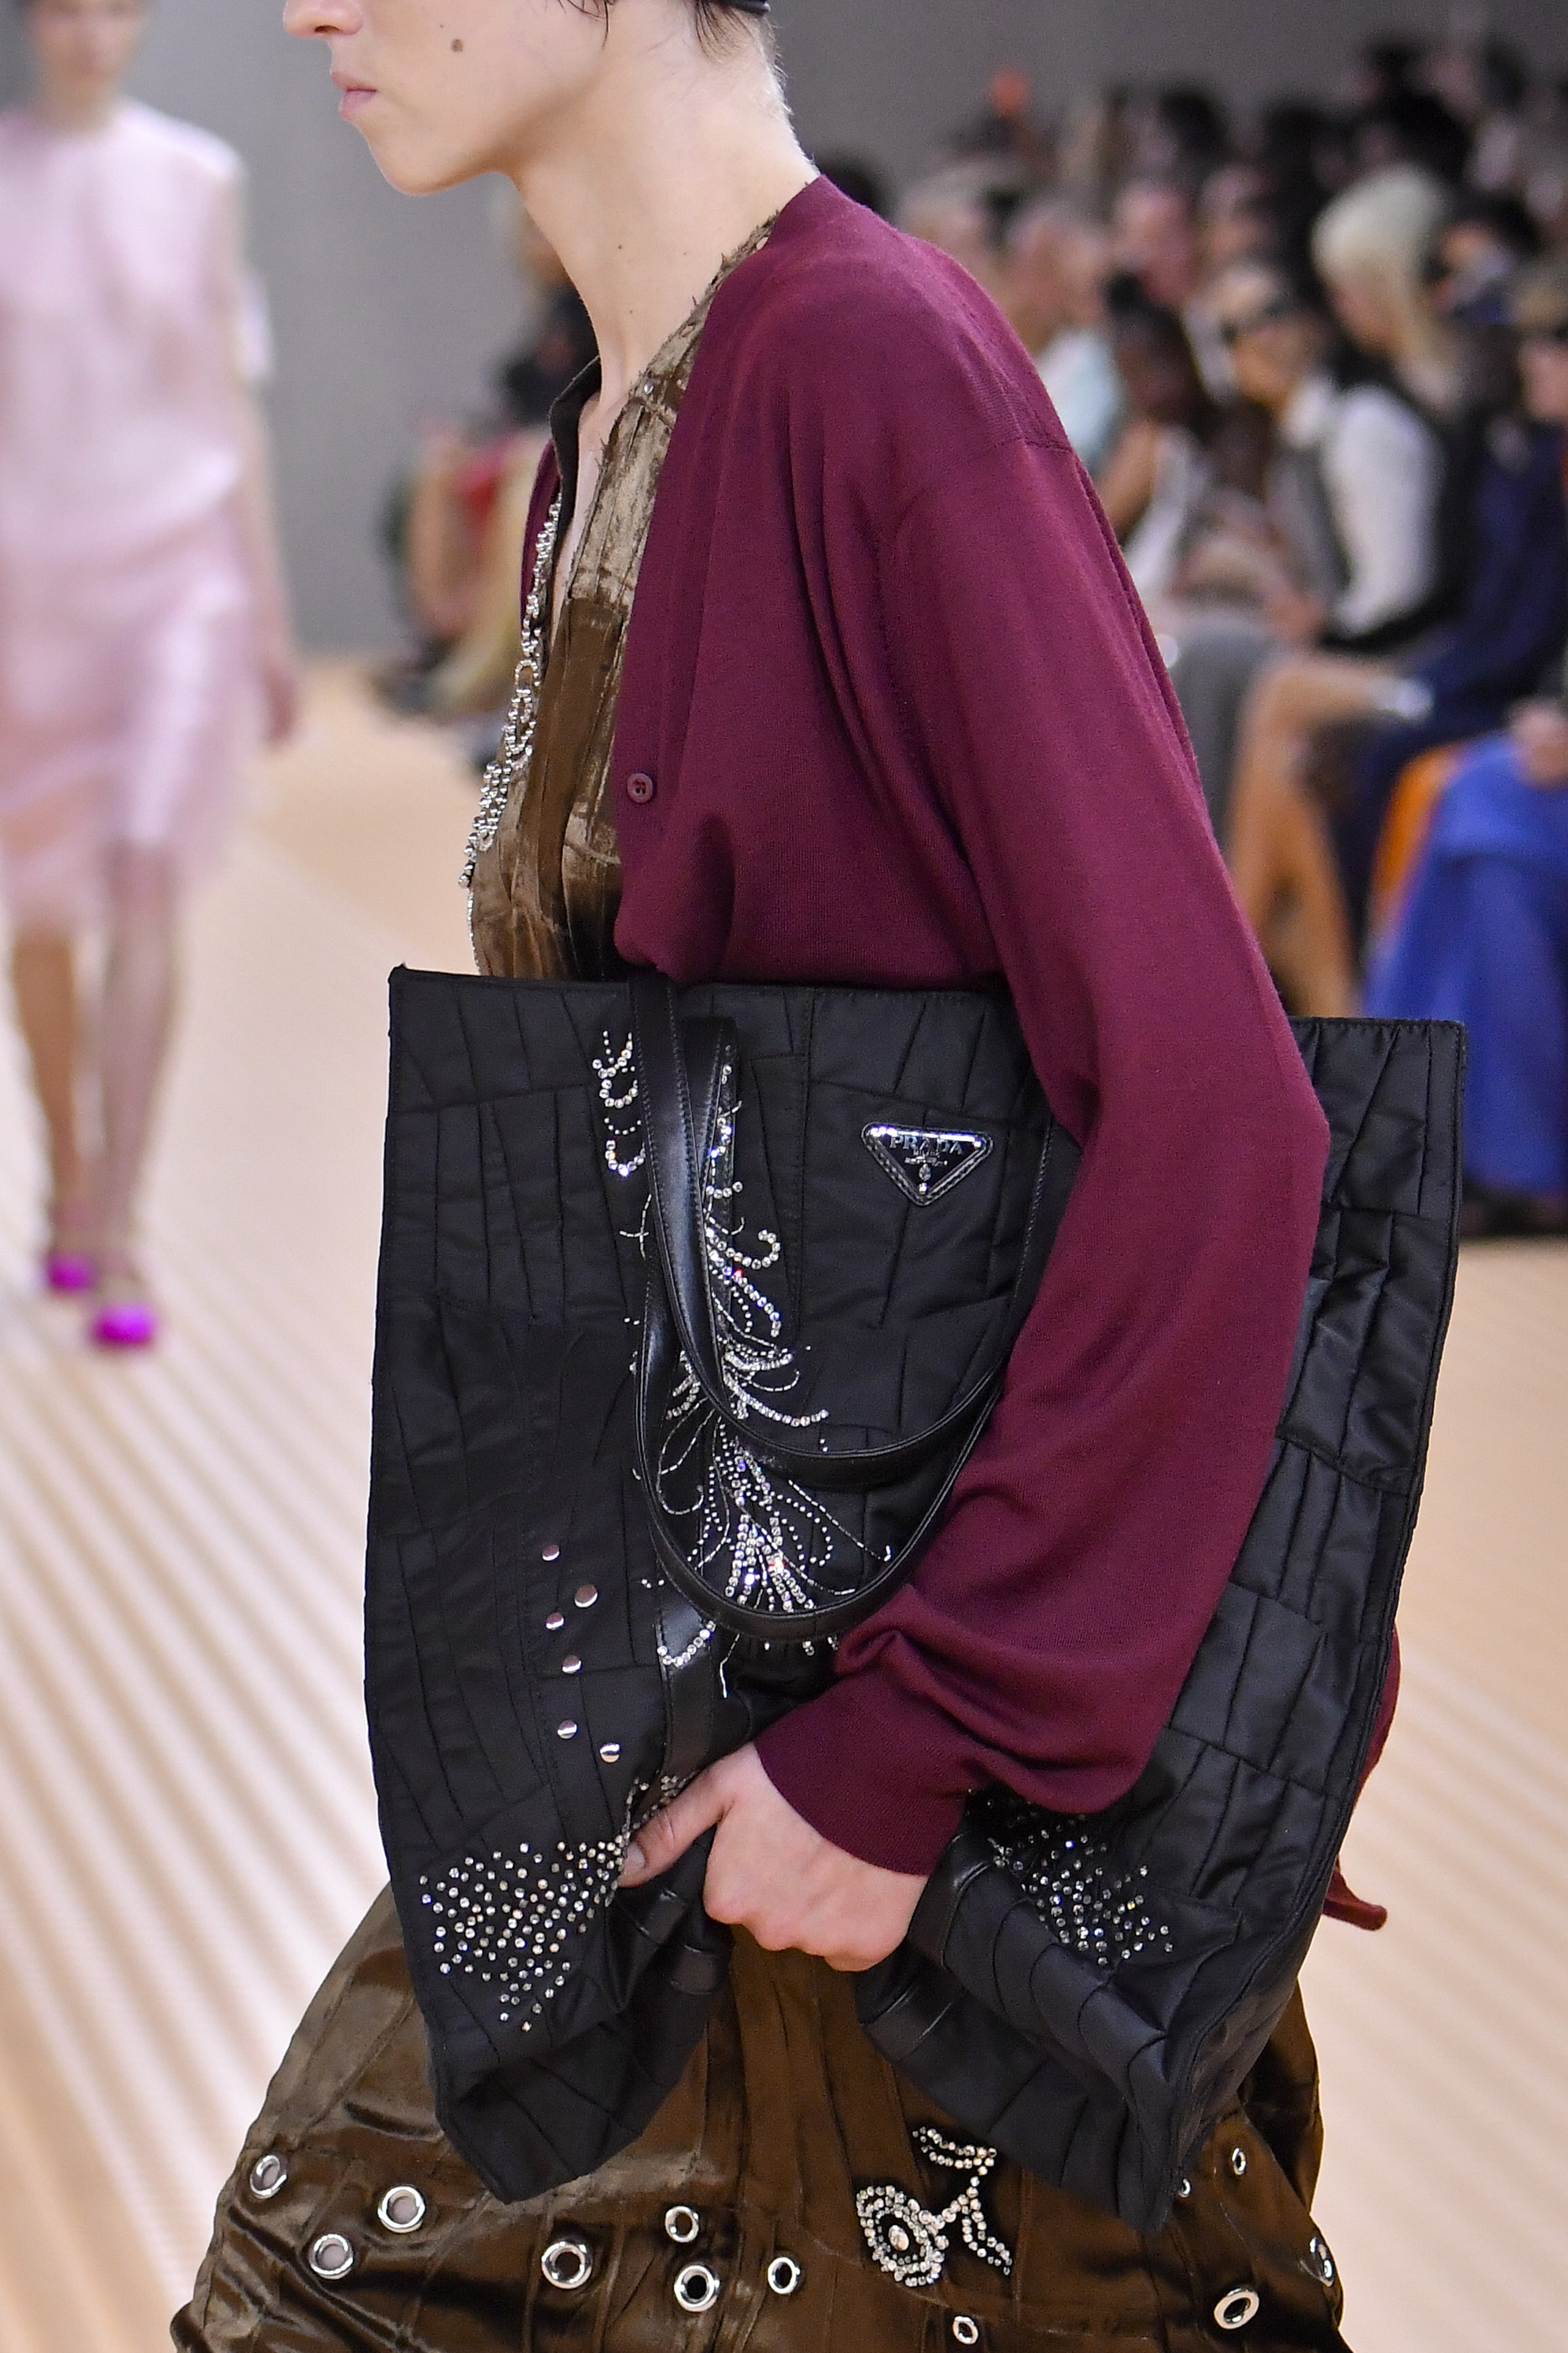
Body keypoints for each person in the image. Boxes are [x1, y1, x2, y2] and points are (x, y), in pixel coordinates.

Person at [178, 4, 1339, 2348]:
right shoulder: (624, 418)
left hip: (875, 1777)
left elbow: (1217, 1113)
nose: (310, 3)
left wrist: (930, 1739)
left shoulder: (872, 381)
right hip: (703, 1732)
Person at [0, 0, 298, 1346]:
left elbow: (226, 397)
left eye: (113, 2)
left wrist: (272, 611)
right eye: (63, 3)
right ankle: (64, 1169)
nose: (87, 28)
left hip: (175, 577)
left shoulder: (199, 178)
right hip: (23, 585)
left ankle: (122, 1224)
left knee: (143, 871)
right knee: (41, 907)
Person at [1364, 259, 1568, 1239]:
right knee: (1464, 805)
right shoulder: (1533, 454)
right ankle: (1445, 1141)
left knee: (1472, 801)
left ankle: (1464, 1146)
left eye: (1556, 339)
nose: (1537, 357)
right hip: (1532, 734)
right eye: (1533, 337)